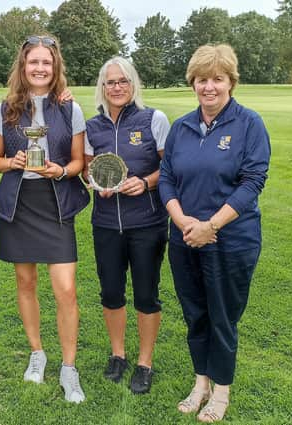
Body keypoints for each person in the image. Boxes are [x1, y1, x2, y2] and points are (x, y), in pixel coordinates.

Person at [158, 44, 270, 422]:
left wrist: (211, 226)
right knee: (195, 314)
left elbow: (252, 181)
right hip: (184, 238)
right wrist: (182, 221)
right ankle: (201, 382)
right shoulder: (182, 127)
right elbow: (168, 178)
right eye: (202, 79)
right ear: (193, 83)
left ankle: (221, 391)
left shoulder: (249, 124)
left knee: (223, 315)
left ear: (230, 83)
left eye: (217, 79)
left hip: (231, 240)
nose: (209, 87)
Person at [0, 35, 90, 403]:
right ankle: (37, 353)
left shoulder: (69, 108)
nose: (40, 68)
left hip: (56, 201)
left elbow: (79, 162)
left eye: (46, 62)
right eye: (33, 62)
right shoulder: (2, 109)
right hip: (20, 203)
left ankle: (68, 367)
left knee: (66, 289)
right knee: (25, 282)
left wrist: (60, 170)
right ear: (23, 65)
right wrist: (11, 162)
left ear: (55, 66)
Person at [84, 56, 170, 394]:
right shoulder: (93, 126)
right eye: (110, 82)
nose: (116, 87)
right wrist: (95, 182)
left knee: (147, 294)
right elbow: (88, 169)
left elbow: (171, 169)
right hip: (106, 223)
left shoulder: (154, 119)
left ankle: (145, 362)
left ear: (133, 84)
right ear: (102, 88)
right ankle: (118, 354)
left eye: (123, 81)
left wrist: (146, 182)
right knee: (111, 293)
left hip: (147, 223)